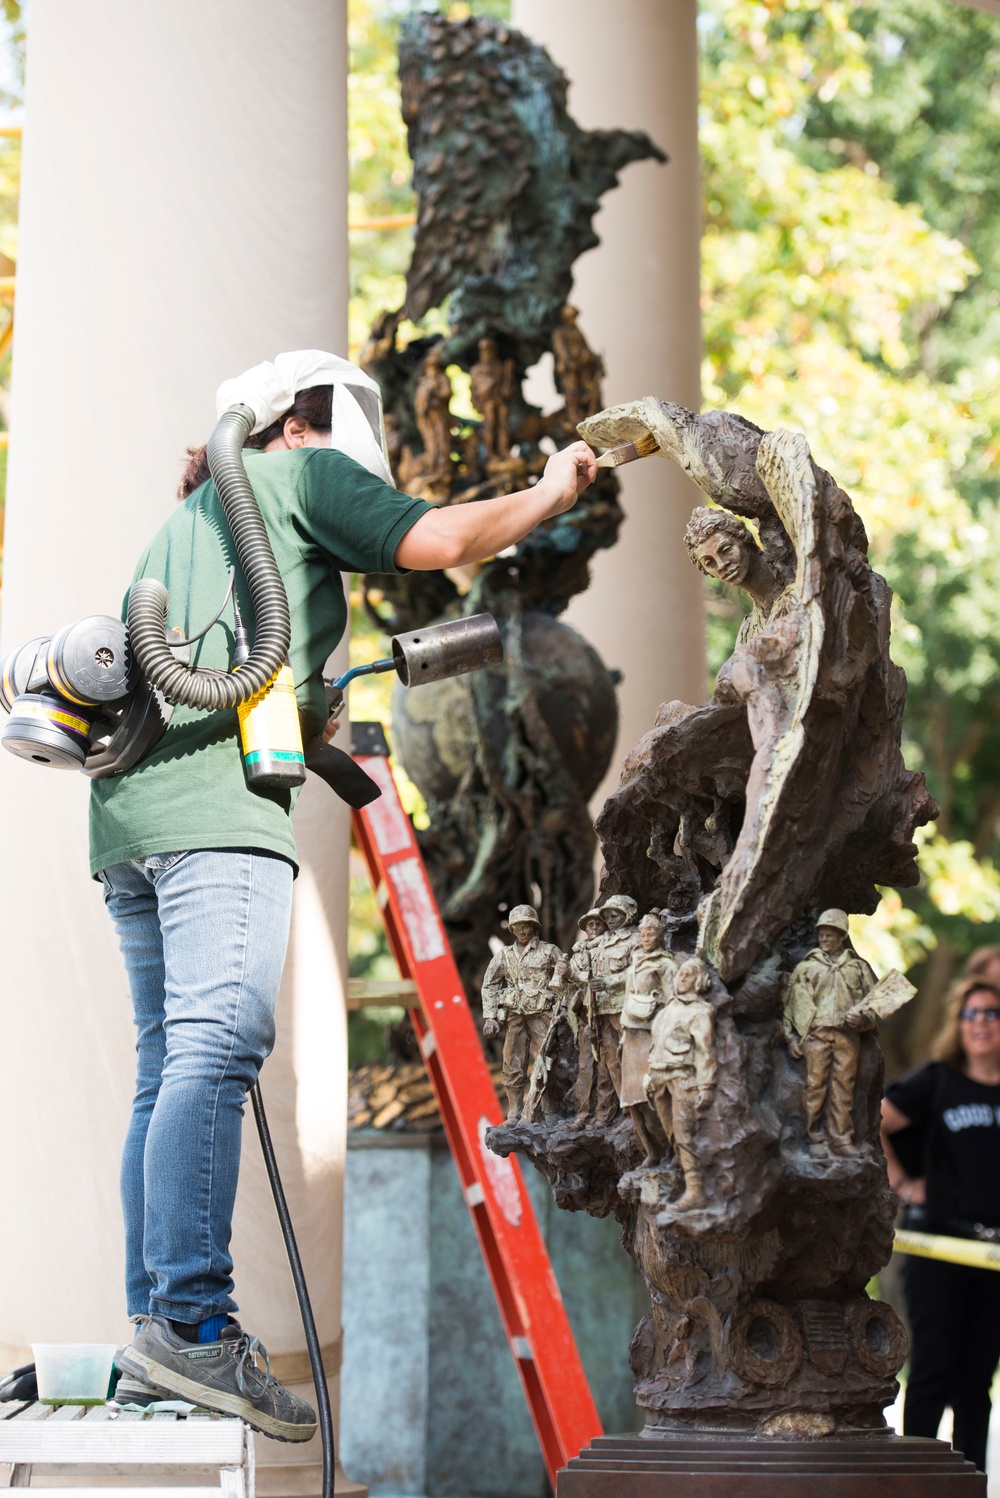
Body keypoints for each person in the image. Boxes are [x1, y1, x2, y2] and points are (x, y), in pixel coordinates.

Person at [95, 352, 596, 1437]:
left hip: (131, 827)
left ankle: (152, 1326)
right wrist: (553, 487)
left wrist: (314, 718)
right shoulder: (302, 477)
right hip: (214, 823)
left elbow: (234, 677)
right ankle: (191, 1326)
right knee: (217, 1049)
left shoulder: (189, 527)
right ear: (295, 421)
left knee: (166, 1065)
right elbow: (445, 540)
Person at [881, 976, 1000, 1474]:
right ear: (958, 1023)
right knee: (930, 1372)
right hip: (937, 1247)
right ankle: (918, 1483)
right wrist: (905, 1184)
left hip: (994, 1259)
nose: (980, 1023)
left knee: (976, 1384)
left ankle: (972, 1482)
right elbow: (878, 1120)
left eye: (991, 1013)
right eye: (970, 1013)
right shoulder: (938, 1080)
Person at [783, 909, 876, 1152]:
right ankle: (814, 1137)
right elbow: (791, 1006)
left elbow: (874, 1003)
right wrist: (790, 1037)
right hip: (817, 1035)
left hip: (847, 1035)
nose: (824, 939)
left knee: (844, 1087)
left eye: (829, 935)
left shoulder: (857, 968)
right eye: (821, 935)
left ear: (841, 936)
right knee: (815, 1085)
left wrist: (864, 1020)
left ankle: (842, 1139)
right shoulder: (807, 968)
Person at [645, 957, 717, 1210]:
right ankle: (683, 1176)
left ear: (699, 981)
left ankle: (696, 1189)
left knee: (685, 1131)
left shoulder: (701, 1011)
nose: (682, 978)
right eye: (681, 974)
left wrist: (706, 1085)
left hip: (683, 1079)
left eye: (688, 974)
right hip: (660, 1079)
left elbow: (705, 1051)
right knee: (671, 1132)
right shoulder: (667, 1009)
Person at [481, 904, 563, 1121]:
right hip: (515, 1018)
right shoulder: (504, 956)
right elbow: (490, 984)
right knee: (512, 1063)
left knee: (544, 1061)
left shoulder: (549, 951)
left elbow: (568, 976)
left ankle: (548, 1110)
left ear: (533, 927)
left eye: (526, 926)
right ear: (512, 929)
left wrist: (561, 1005)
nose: (522, 931)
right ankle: (515, 1111)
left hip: (541, 1016)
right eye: (518, 926)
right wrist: (490, 1016)